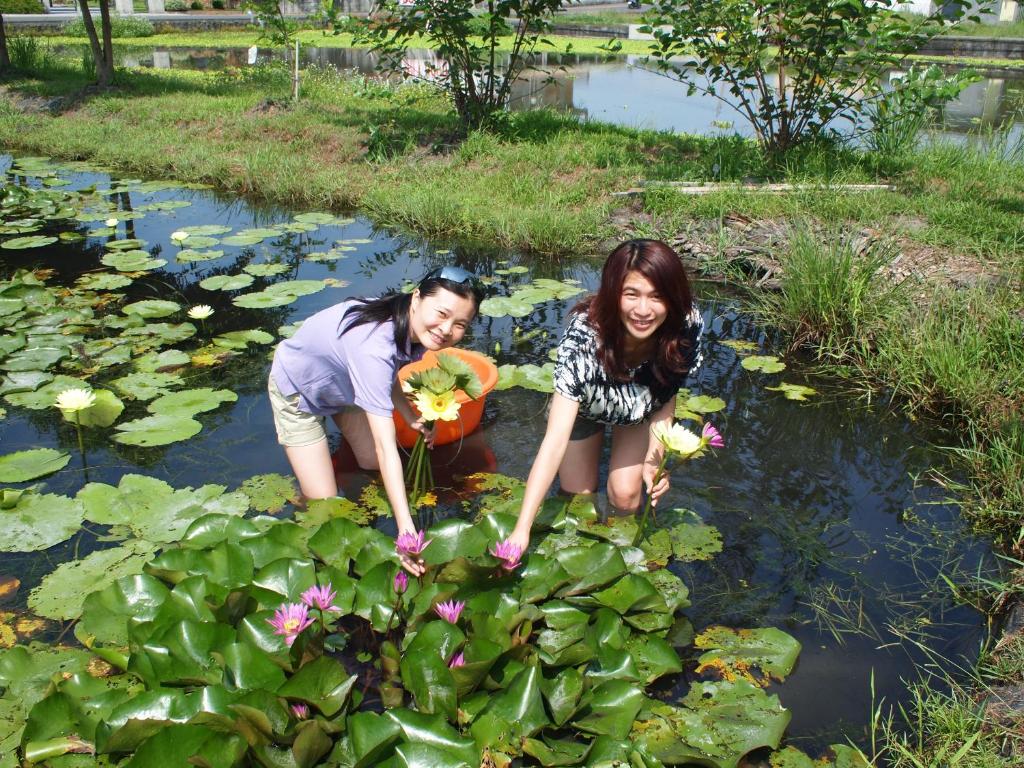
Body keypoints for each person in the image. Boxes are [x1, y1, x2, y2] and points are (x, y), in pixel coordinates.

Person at [268, 266, 483, 574]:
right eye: (441, 313)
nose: (446, 329)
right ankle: (300, 512)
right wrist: (406, 528)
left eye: (460, 324)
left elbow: (388, 372)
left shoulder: (412, 328)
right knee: (326, 507)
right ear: (417, 298)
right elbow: (386, 447)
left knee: (368, 463)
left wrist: (410, 417)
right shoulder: (373, 344)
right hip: (299, 390)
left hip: (345, 386)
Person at [506, 240, 703, 553]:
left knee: (626, 496)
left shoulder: (685, 324)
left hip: (638, 407)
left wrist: (656, 457)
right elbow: (554, 441)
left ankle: (623, 560)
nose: (643, 310)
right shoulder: (583, 339)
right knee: (577, 498)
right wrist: (521, 529)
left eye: (657, 296)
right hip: (585, 409)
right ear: (614, 294)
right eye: (631, 294)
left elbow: (667, 391)